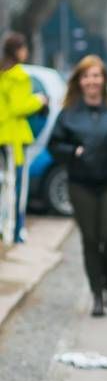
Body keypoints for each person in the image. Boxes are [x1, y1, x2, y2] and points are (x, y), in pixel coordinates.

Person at [49, 55, 107, 316]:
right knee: (90, 239)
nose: (92, 81)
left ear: (104, 80)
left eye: (97, 75)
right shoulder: (68, 114)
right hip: (81, 184)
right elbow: (54, 146)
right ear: (80, 80)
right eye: (87, 76)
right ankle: (97, 294)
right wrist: (72, 151)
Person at [0, 32, 48, 242]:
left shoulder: (2, 73)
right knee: (17, 185)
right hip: (15, 137)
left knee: (5, 184)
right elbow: (20, 106)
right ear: (18, 50)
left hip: (3, 135)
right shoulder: (19, 75)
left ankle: (6, 228)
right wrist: (38, 100)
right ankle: (14, 231)